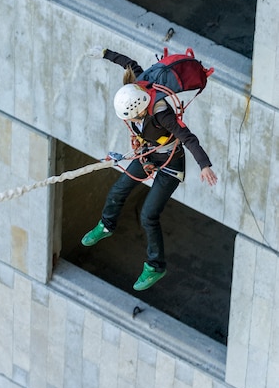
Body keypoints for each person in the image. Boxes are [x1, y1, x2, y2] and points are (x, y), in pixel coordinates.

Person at [81, 46, 218, 291]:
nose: (131, 123)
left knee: (148, 215)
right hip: (147, 155)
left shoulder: (162, 115)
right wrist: (104, 53)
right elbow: (129, 61)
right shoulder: (141, 85)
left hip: (169, 166)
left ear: (141, 110)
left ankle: (156, 266)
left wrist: (204, 165)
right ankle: (106, 225)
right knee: (117, 190)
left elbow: (188, 138)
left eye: (133, 118)